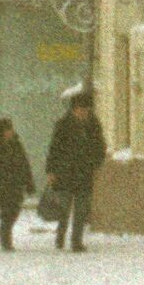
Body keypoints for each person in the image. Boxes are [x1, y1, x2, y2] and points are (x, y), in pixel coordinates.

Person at [44, 89, 104, 251]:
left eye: (86, 109)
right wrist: (51, 171)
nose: (84, 112)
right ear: (74, 109)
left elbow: (100, 146)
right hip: (65, 172)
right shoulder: (63, 125)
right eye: (81, 109)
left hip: (84, 172)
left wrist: (96, 163)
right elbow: (54, 148)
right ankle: (60, 234)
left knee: (82, 209)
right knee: (64, 207)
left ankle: (76, 241)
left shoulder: (93, 125)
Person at [0, 118, 32, 251]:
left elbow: (24, 164)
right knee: (7, 211)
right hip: (2, 186)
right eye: (7, 129)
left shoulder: (17, 145)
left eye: (11, 129)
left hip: (16, 184)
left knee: (15, 211)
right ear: (1, 132)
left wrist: (29, 183)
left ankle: (4, 230)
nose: (10, 132)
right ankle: (6, 239)